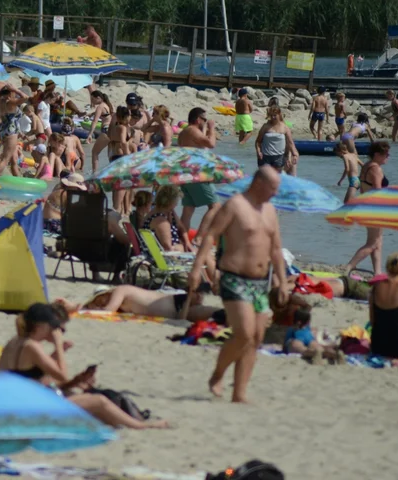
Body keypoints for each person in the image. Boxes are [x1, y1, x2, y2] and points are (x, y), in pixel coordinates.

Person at [187, 166, 287, 403]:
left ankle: (239, 392)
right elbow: (210, 236)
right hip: (234, 278)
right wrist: (195, 269)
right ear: (259, 183)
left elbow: (275, 248)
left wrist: (282, 282)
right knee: (243, 334)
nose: (275, 193)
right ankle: (218, 374)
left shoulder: (271, 211)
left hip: (261, 282)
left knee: (256, 338)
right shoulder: (235, 205)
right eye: (273, 188)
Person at [0, 303, 167, 429]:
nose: (56, 331)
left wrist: (60, 358)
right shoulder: (31, 346)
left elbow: (31, 376)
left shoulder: (15, 342)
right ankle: (141, 426)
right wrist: (58, 346)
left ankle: (127, 421)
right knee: (99, 401)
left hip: (14, 404)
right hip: (30, 410)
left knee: (77, 394)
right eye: (54, 327)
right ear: (41, 326)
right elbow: (61, 375)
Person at [55, 286, 221, 324]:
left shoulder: (120, 291)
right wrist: (75, 306)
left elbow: (107, 311)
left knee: (214, 314)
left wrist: (76, 308)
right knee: (215, 315)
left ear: (106, 294)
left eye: (99, 300)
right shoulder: (120, 300)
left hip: (178, 303)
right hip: (176, 308)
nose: (99, 304)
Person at [346, 141, 391, 275]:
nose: (388, 156)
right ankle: (348, 267)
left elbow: (364, 189)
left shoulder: (366, 166)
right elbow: (377, 192)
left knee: (377, 243)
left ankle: (377, 273)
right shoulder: (376, 169)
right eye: (386, 154)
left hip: (367, 207)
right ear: (377, 154)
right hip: (375, 209)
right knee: (372, 244)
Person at [176, 107, 221, 231]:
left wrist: (205, 128)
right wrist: (211, 128)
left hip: (187, 174)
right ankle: (199, 239)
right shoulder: (192, 131)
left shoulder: (185, 132)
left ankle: (182, 240)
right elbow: (211, 144)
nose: (206, 122)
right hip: (197, 174)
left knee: (188, 209)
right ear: (197, 119)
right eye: (204, 119)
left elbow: (201, 145)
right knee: (215, 206)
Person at [0, 84, 30, 182]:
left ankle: (18, 180)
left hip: (4, 131)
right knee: (5, 159)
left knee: (11, 159)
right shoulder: (11, 102)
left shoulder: (1, 103)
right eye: (12, 93)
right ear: (10, 93)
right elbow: (25, 97)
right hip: (11, 132)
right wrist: (16, 89)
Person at [142, 185, 191, 252]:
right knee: (204, 253)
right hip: (167, 256)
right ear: (170, 201)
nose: (177, 204)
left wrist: (187, 242)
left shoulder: (168, 212)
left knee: (204, 252)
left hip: (171, 251)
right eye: (176, 201)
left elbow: (181, 227)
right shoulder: (160, 221)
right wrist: (182, 247)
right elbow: (168, 248)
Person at [255, 106, 296, 172]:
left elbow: (290, 143)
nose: (273, 117)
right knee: (265, 179)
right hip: (265, 157)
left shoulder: (285, 127)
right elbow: (258, 142)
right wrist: (258, 152)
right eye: (271, 115)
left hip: (279, 157)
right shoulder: (265, 126)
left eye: (275, 115)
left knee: (276, 179)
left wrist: (294, 155)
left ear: (279, 114)